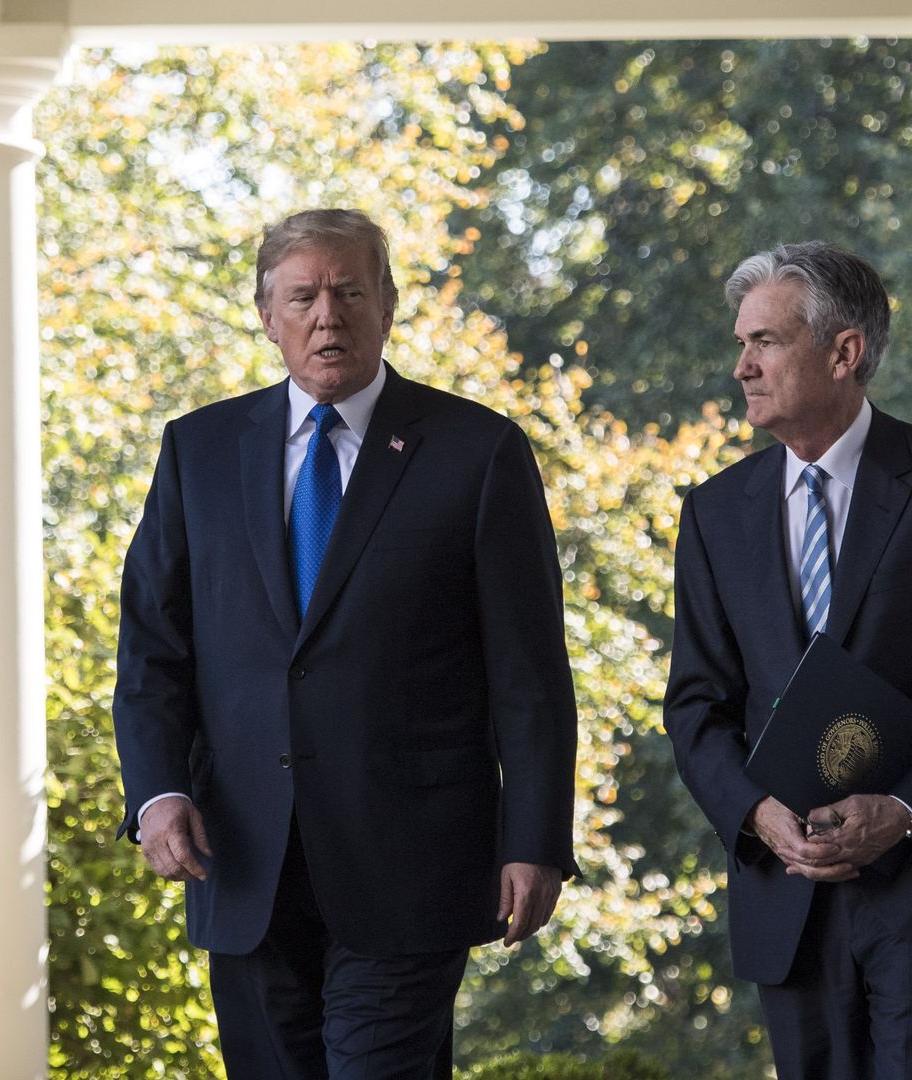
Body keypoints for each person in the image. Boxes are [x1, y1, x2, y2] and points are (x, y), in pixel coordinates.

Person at [112, 208, 579, 1076]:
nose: (328, 316)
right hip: (242, 857)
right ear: (267, 315)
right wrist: (157, 791)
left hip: (413, 865)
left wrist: (537, 836)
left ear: (388, 305)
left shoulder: (477, 453)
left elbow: (530, 674)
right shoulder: (198, 452)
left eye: (349, 292)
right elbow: (153, 651)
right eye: (303, 297)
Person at [664, 241, 912, 1079]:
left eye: (765, 341)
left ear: (846, 352)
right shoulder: (715, 512)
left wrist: (905, 809)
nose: (742, 367)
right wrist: (759, 814)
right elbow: (695, 706)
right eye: (741, 344)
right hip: (783, 889)